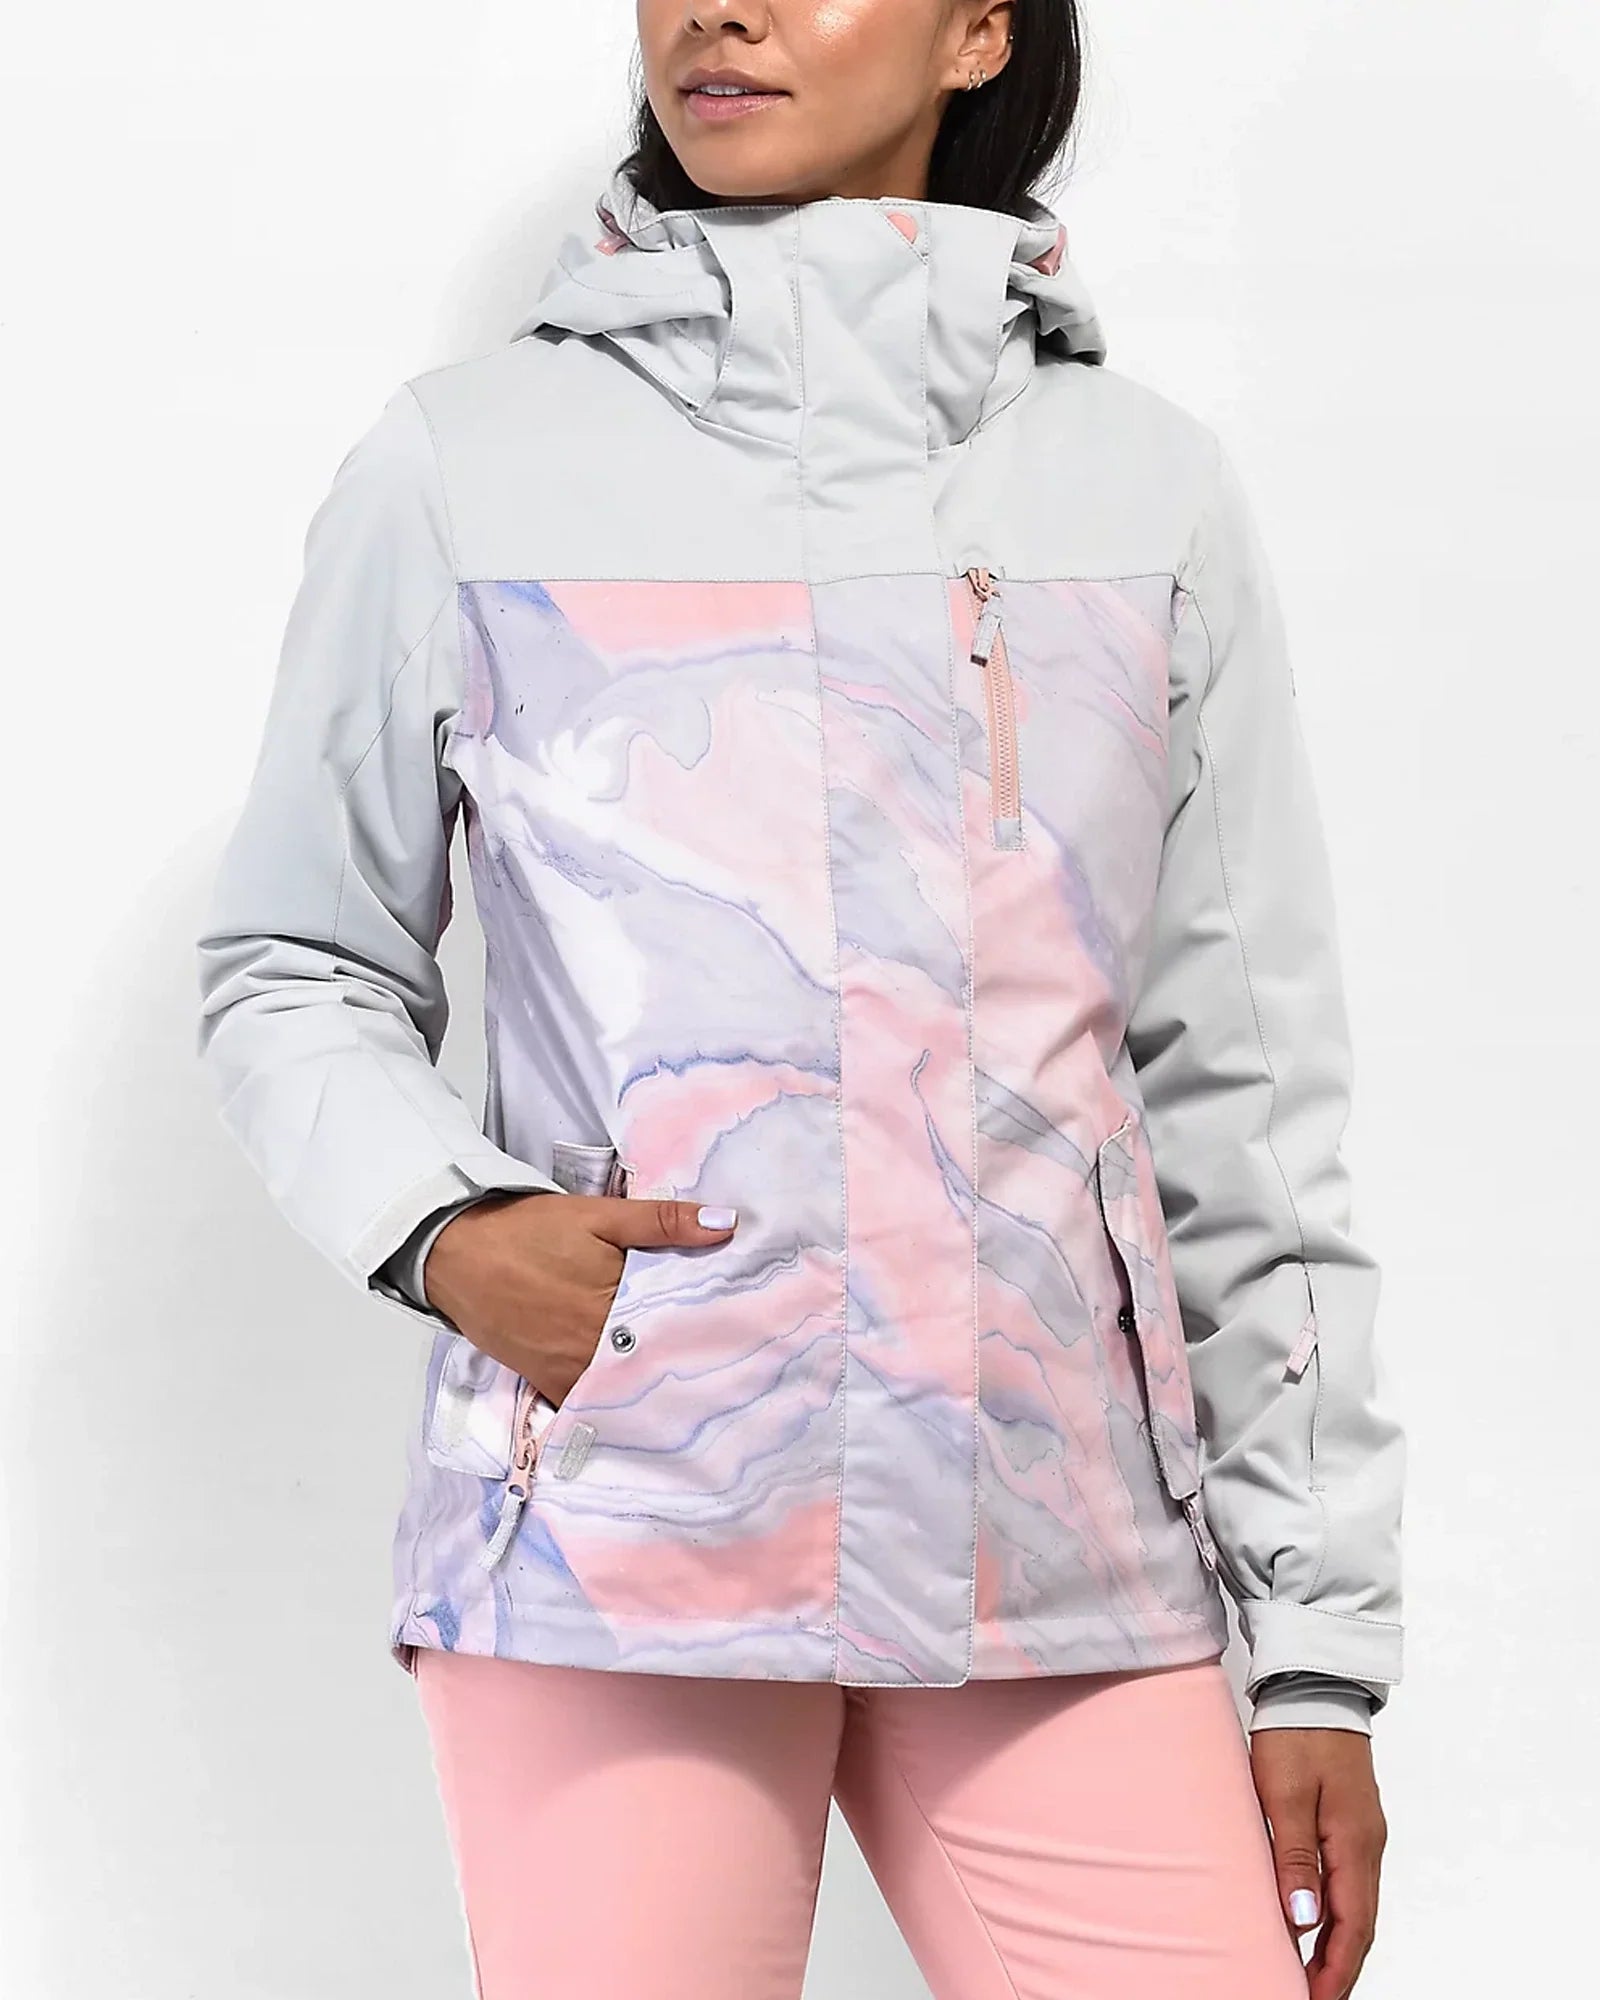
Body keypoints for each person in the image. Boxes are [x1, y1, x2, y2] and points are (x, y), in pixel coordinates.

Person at [193, 4, 1406, 1996]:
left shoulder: (1142, 491)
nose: (716, 10)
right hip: (624, 1527)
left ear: (976, 31)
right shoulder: (464, 465)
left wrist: (1316, 1653)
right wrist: (451, 1229)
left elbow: (1237, 1091)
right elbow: (294, 959)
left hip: (1061, 1553)